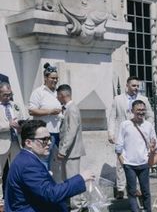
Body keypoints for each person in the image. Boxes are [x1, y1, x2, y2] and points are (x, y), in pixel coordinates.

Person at [4, 119, 94, 211]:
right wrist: (81, 178)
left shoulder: (27, 159)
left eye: (49, 138)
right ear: (28, 143)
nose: (49, 143)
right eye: (44, 139)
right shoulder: (28, 164)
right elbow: (51, 194)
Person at [107, 76, 153, 199]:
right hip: (122, 134)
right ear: (127, 86)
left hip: (138, 136)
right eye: (133, 85)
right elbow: (112, 117)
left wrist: (147, 130)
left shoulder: (143, 99)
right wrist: (111, 133)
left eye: (138, 86)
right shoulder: (118, 99)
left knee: (137, 160)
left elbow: (150, 115)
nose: (136, 88)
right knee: (121, 161)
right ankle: (121, 188)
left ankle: (135, 188)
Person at [115, 99, 157, 212]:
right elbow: (119, 144)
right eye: (138, 110)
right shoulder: (125, 125)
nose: (141, 112)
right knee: (132, 191)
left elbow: (154, 143)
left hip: (144, 163)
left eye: (143, 110)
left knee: (146, 191)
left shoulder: (148, 125)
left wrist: (153, 149)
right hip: (129, 164)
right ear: (132, 111)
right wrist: (122, 160)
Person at [55, 85, 86, 212]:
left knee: (72, 181)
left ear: (63, 95)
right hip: (70, 151)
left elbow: (71, 132)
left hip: (71, 152)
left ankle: (77, 207)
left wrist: (63, 150)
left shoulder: (72, 109)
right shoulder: (68, 109)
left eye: (58, 96)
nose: (57, 98)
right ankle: (79, 204)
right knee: (69, 180)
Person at [27, 63, 62, 174]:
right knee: (44, 160)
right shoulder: (38, 92)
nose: (55, 80)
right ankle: (43, 185)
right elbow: (32, 110)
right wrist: (50, 112)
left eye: (56, 78)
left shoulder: (58, 92)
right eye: (52, 78)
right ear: (46, 78)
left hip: (59, 132)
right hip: (46, 134)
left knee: (58, 162)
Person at [0, 82, 27, 210]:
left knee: (17, 172)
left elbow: (22, 119)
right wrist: (8, 125)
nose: (8, 97)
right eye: (5, 95)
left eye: (9, 94)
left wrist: (21, 126)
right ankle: (0, 201)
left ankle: (17, 197)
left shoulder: (15, 105)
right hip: (2, 144)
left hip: (16, 142)